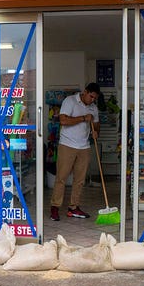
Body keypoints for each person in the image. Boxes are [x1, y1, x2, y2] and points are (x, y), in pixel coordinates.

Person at [49, 83, 101, 221]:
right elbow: (63, 120)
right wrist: (84, 118)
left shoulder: (94, 108)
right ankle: (55, 207)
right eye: (91, 96)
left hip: (84, 147)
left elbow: (96, 125)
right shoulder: (70, 101)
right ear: (85, 92)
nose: (92, 100)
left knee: (79, 180)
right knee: (61, 178)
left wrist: (96, 132)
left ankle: (73, 208)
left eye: (94, 98)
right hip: (67, 145)